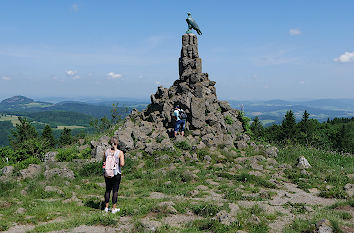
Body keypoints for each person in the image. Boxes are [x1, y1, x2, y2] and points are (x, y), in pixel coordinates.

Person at [102, 136, 125, 213]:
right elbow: (122, 164)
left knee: (108, 190)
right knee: (115, 190)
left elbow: (104, 162)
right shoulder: (120, 153)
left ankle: (106, 207)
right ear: (117, 143)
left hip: (107, 173)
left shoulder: (106, 152)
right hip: (116, 173)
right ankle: (113, 209)